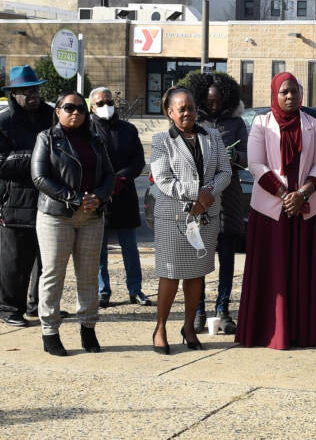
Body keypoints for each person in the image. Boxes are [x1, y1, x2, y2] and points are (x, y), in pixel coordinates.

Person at [235, 72, 316, 350]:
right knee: (272, 274)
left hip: (307, 210)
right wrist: (285, 196)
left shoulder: (313, 124)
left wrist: (301, 195)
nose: (290, 97)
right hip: (270, 212)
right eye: (284, 92)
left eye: (294, 92)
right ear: (274, 94)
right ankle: (270, 332)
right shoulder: (261, 124)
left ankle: (306, 332)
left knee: (306, 275)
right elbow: (256, 165)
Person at [31, 91, 115, 356]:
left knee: (89, 275)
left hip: (91, 215)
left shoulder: (95, 139)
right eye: (69, 107)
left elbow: (109, 175)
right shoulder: (46, 138)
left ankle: (88, 328)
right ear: (58, 111)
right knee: (54, 274)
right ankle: (50, 331)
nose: (75, 112)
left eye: (81, 108)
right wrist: (75, 198)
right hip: (56, 216)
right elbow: (40, 177)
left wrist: (98, 197)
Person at [150, 87, 231, 354]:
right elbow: (163, 180)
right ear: (170, 112)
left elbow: (225, 171)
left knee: (197, 275)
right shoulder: (162, 140)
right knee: (170, 274)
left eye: (191, 107)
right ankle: (160, 327)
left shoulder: (213, 136)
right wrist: (198, 194)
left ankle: (188, 327)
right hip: (174, 217)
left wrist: (209, 196)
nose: (188, 112)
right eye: (181, 108)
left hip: (205, 217)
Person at [183, 72, 248, 335]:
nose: (214, 105)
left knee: (227, 254)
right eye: (210, 101)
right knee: (199, 255)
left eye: (219, 100)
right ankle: (198, 311)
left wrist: (235, 155)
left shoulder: (237, 122)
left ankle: (223, 309)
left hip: (229, 194)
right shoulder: (193, 120)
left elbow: (247, 157)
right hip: (199, 194)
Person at [0, 65, 54, 327]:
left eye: (35, 89)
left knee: (48, 260)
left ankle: (38, 305)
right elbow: (1, 163)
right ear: (14, 93)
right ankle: (9, 308)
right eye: (26, 91)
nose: (33, 94)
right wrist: (36, 158)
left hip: (50, 199)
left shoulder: (51, 115)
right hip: (16, 201)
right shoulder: (4, 122)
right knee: (15, 261)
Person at [89, 87, 150, 309]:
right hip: (98, 196)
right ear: (92, 107)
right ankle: (102, 290)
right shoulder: (87, 130)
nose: (106, 106)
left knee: (130, 248)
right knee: (99, 248)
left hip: (125, 194)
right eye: (100, 103)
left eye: (108, 101)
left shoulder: (128, 129)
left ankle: (136, 289)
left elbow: (138, 161)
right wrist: (105, 182)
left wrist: (121, 178)